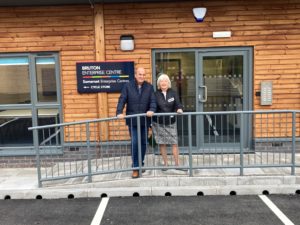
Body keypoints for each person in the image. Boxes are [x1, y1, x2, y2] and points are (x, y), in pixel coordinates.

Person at [116, 67, 156, 178]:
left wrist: (152, 109)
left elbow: (153, 101)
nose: (142, 76)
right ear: (135, 75)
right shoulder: (128, 86)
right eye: (140, 74)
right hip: (133, 120)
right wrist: (119, 112)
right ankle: (135, 167)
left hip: (144, 120)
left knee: (143, 142)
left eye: (143, 74)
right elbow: (122, 99)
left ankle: (141, 164)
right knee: (135, 142)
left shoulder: (149, 87)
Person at [152, 73, 184, 170]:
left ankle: (177, 164)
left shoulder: (173, 93)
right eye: (161, 81)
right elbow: (153, 106)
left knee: (174, 143)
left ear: (168, 82)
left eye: (165, 81)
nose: (163, 83)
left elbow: (178, 104)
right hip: (159, 123)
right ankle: (165, 164)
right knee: (162, 143)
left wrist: (179, 109)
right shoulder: (155, 94)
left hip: (171, 122)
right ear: (159, 83)